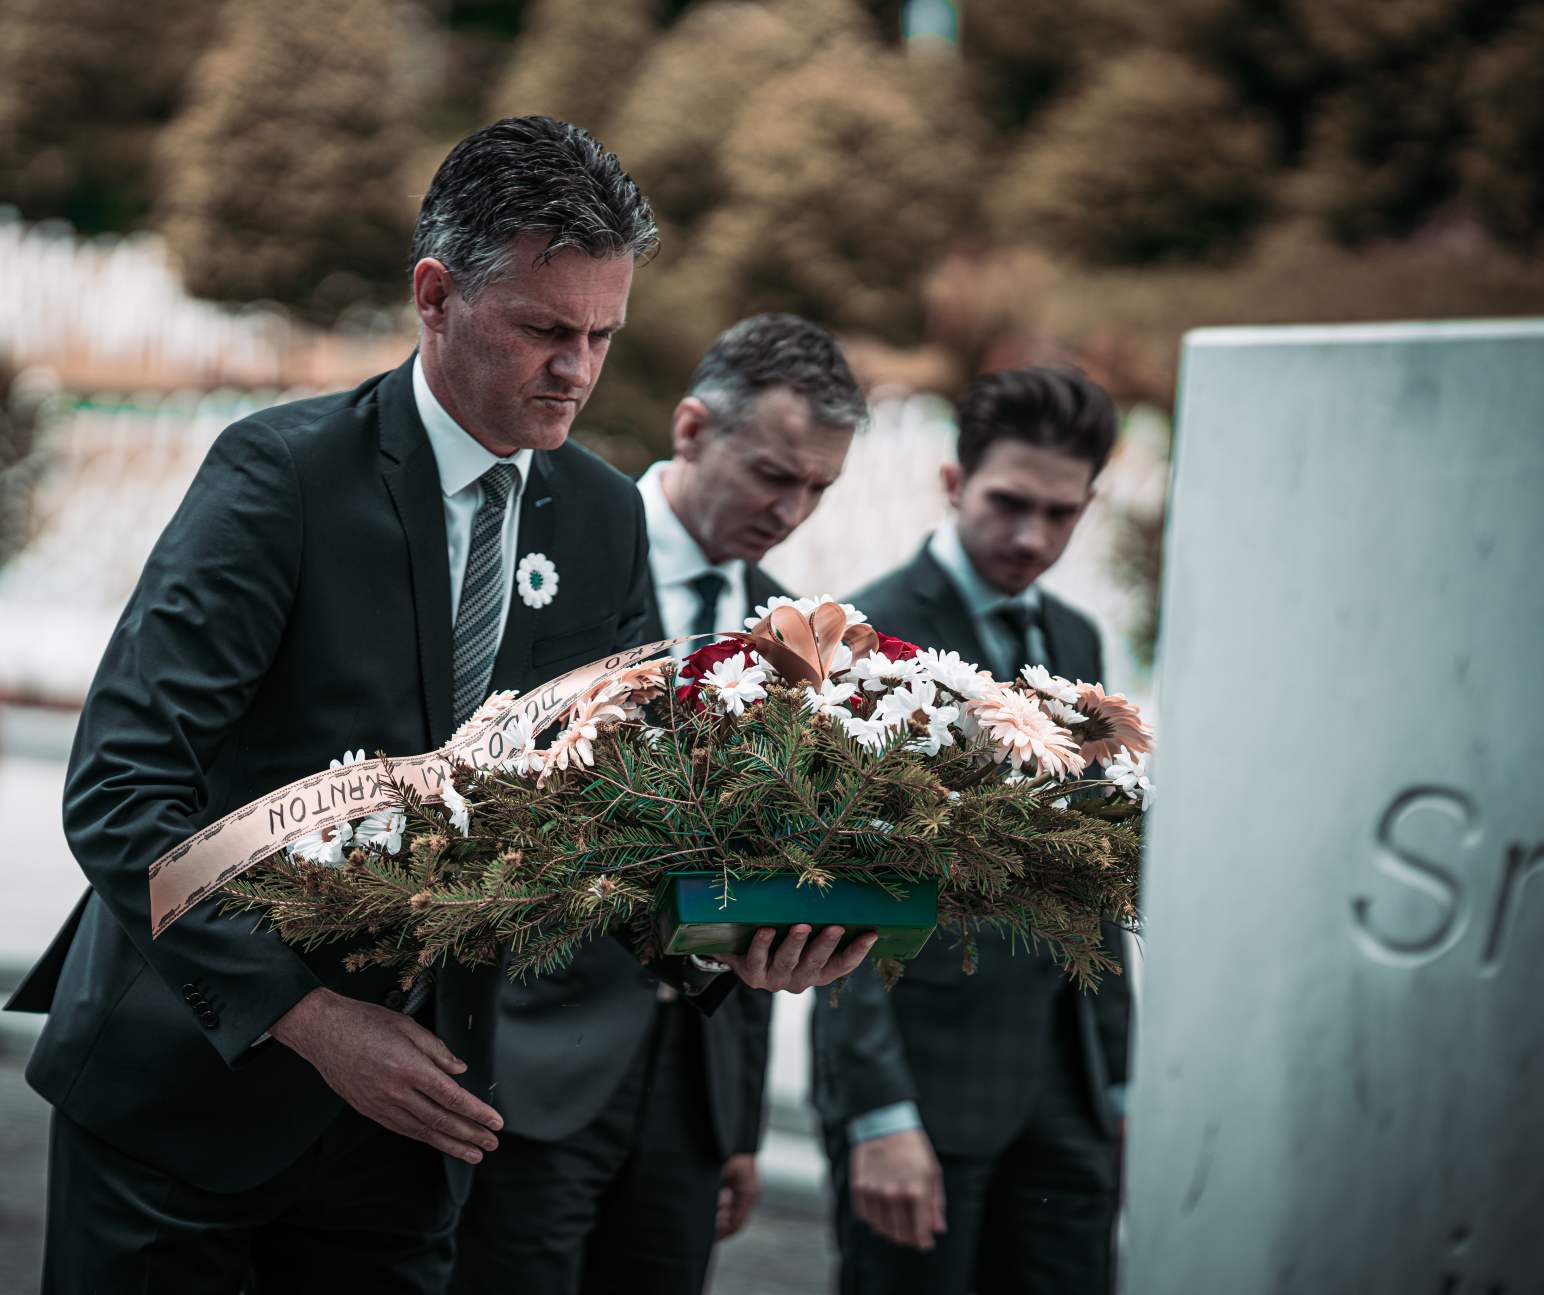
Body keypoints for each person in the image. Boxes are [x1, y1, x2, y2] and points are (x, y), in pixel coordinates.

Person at [4, 116, 874, 1295]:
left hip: (413, 1136)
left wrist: (737, 939)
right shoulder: (280, 477)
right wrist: (311, 1017)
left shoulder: (602, 518)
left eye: (602, 335)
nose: (577, 370)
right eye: (545, 330)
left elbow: (611, 822)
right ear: (434, 296)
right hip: (187, 1101)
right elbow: (121, 792)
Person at [450, 312, 867, 1295]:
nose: (791, 509)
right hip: (519, 1067)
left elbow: (762, 861)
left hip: (690, 1095)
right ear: (691, 429)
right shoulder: (540, 549)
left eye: (818, 487)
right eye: (773, 473)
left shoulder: (792, 636)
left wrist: (737, 1123)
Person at [812, 366, 1134, 1295]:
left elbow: (1093, 865)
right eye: (1009, 503)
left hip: (1070, 1093)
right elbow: (832, 883)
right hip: (925, 1092)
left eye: (1061, 513)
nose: (1033, 536)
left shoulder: (1076, 638)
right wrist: (878, 1110)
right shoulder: (862, 636)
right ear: (954, 483)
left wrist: (1120, 1079)